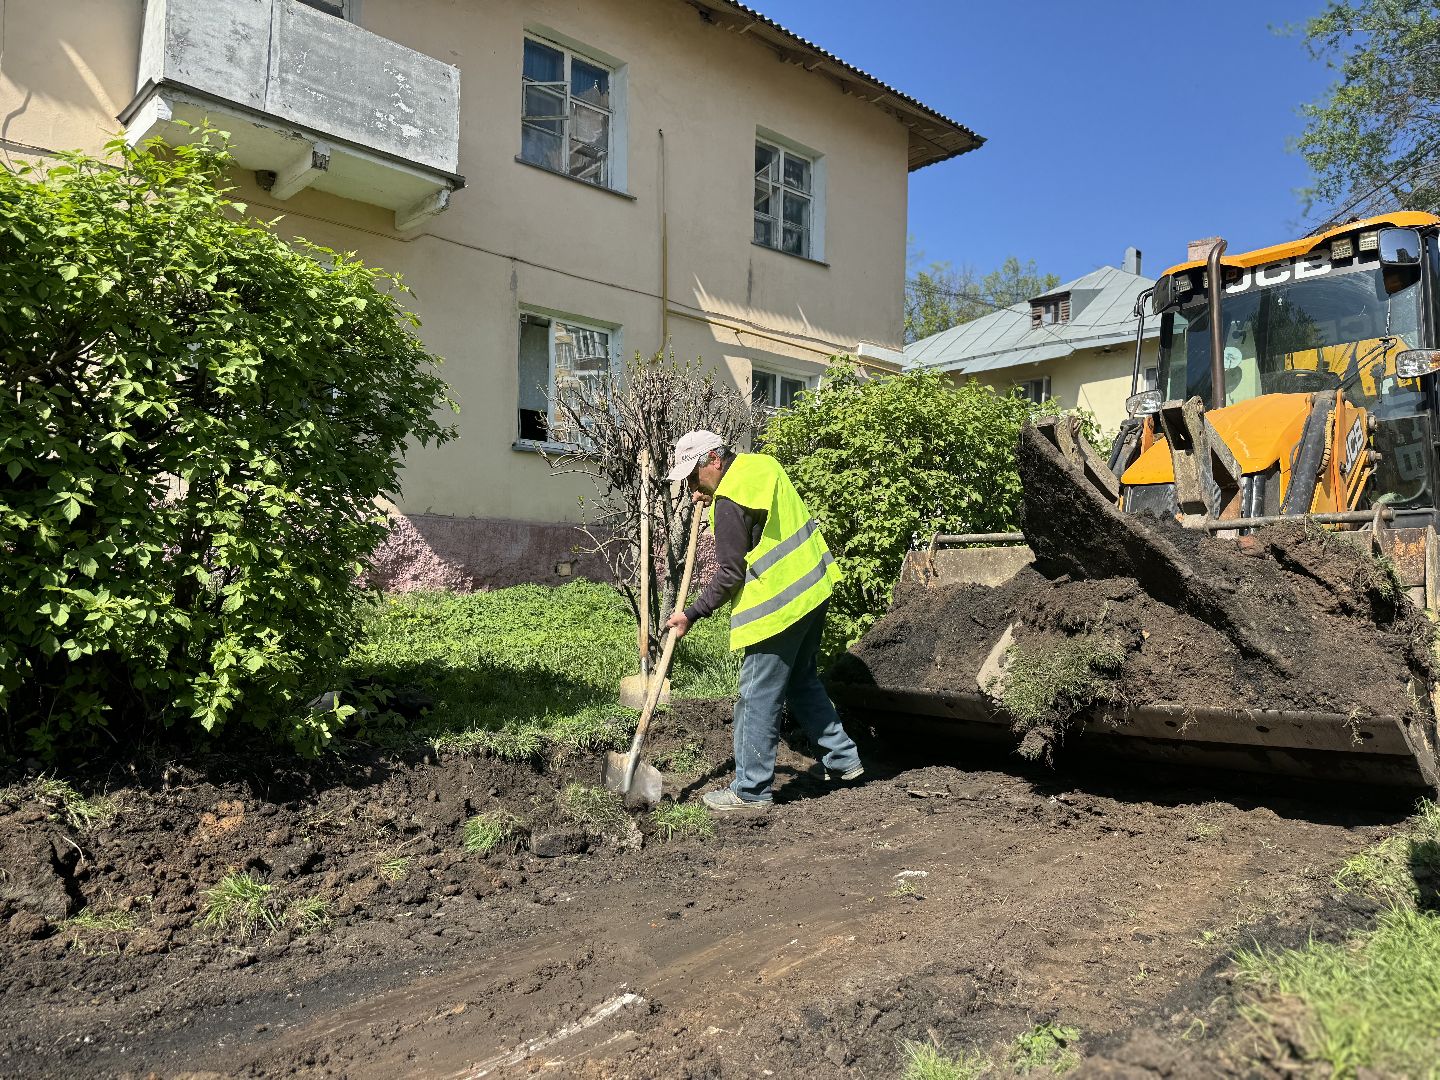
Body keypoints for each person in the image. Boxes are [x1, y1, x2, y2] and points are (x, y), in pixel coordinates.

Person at [663, 430, 863, 811]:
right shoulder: (761, 465)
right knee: (801, 679)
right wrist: (713, 495)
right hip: (813, 587)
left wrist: (691, 613)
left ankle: (750, 790)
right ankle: (842, 760)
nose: (691, 489)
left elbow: (729, 574)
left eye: (692, 476)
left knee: (756, 695)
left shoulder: (730, 502)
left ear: (714, 461)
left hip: (778, 605)